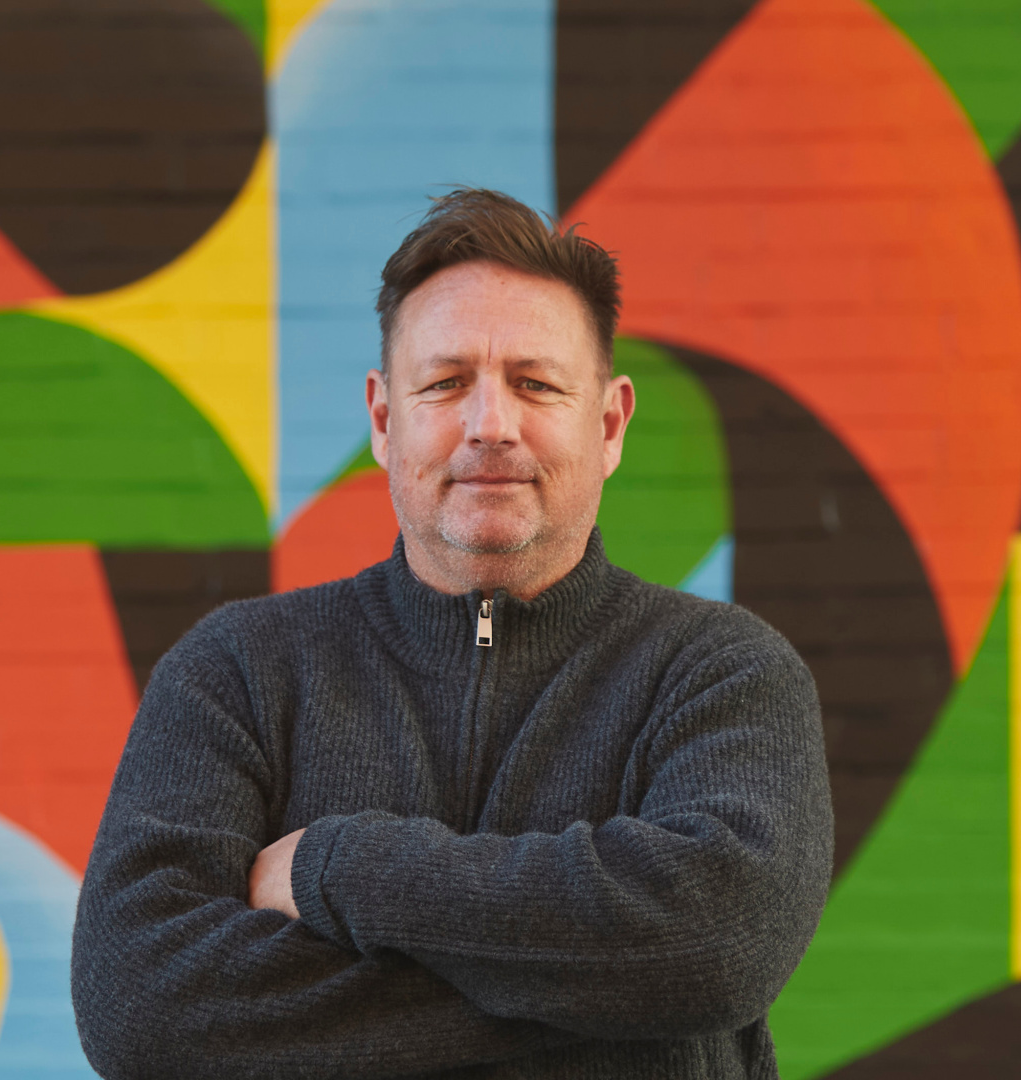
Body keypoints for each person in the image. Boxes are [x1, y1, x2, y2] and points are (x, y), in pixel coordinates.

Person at [72, 189, 832, 1079]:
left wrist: (336, 867)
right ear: (383, 419)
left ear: (609, 424)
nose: (490, 426)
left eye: (535, 384)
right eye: (444, 384)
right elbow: (140, 1007)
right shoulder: (238, 670)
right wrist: (615, 998)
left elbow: (718, 941)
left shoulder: (722, 672)